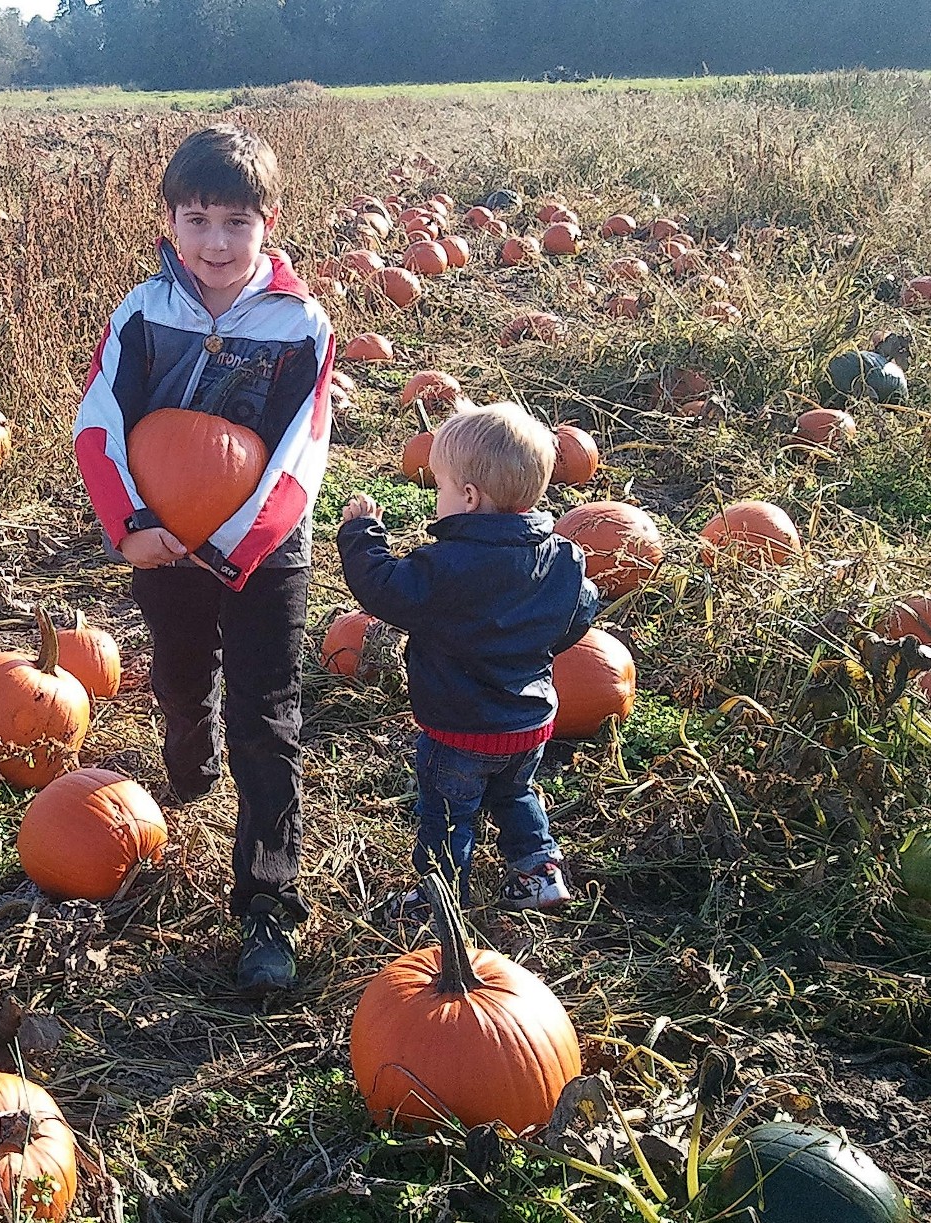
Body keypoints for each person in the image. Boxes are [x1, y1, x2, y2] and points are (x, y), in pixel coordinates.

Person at [73, 125, 335, 996]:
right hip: (159, 537)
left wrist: (234, 547)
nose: (216, 243)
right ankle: (189, 741)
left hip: (263, 545)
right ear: (170, 223)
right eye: (198, 220)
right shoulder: (142, 313)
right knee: (182, 672)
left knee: (269, 712)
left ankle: (268, 904)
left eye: (235, 222)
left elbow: (301, 451)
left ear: (269, 222)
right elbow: (98, 424)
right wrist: (132, 525)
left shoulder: (299, 324)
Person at [335, 403, 600, 917]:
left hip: (460, 730)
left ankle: (439, 899)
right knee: (515, 795)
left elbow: (385, 589)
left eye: (441, 487)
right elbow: (580, 613)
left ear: (470, 497)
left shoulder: (445, 566)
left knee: (447, 816)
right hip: (529, 724)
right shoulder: (565, 558)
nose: (438, 499)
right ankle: (540, 873)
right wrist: (534, 646)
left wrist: (362, 534)